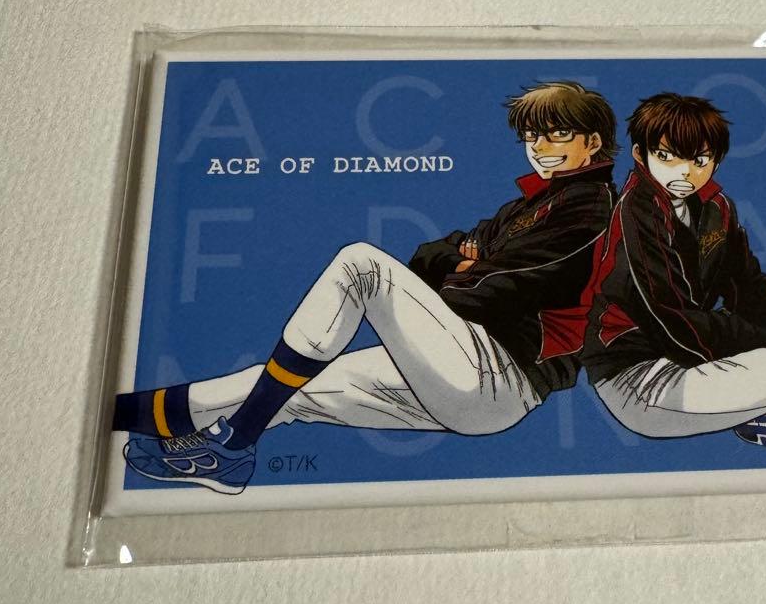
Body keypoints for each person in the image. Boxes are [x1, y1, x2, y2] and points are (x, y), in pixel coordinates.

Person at [115, 81, 618, 493]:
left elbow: (502, 289)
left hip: (500, 369)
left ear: (593, 142)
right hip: (464, 367)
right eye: (532, 138)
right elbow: (429, 256)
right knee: (286, 388)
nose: (540, 149)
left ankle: (235, 441)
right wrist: (461, 265)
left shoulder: (593, 207)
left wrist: (466, 269)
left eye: (556, 135)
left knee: (362, 267)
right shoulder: (524, 207)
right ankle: (122, 417)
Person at [580, 92, 766, 456]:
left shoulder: (716, 206)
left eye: (699, 160)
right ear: (640, 154)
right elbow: (674, 319)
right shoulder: (636, 212)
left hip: (701, 350)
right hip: (642, 377)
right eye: (666, 156)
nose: (684, 172)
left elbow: (747, 283)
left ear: (715, 160)